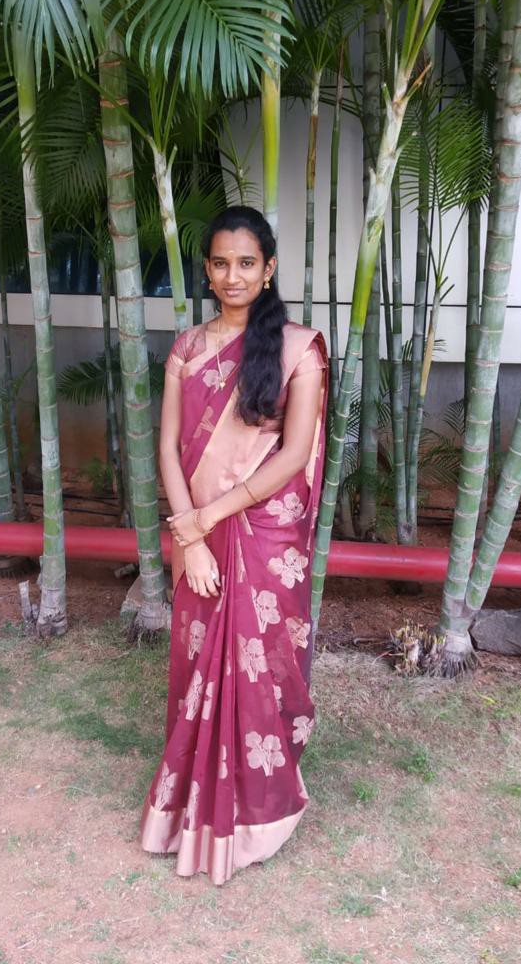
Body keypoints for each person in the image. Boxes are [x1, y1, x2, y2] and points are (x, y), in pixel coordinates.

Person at [139, 205, 328, 884]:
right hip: (200, 530)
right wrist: (190, 537)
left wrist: (204, 520)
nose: (233, 276)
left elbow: (293, 454)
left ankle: (260, 810)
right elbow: (168, 447)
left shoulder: (298, 350)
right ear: (207, 269)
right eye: (220, 263)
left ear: (269, 268)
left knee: (264, 663)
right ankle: (192, 804)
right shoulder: (188, 349)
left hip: (265, 535)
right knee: (200, 662)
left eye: (247, 263)